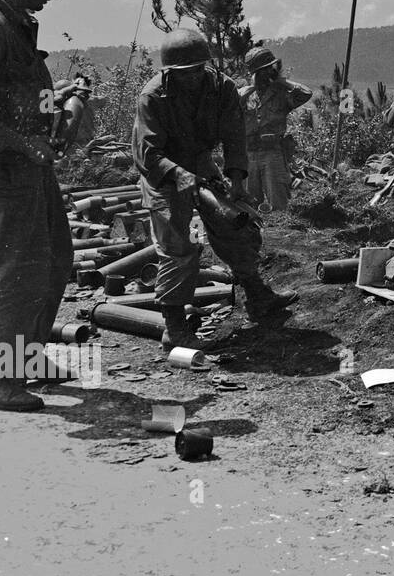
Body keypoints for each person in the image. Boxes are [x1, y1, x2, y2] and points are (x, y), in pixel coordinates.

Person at [133, 29, 298, 348]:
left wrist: (236, 182)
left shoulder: (221, 86)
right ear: (169, 71)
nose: (194, 77)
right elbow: (149, 154)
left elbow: (235, 136)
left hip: (199, 161)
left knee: (235, 224)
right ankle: (175, 327)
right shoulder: (152, 96)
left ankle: (257, 296)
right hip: (163, 172)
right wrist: (184, 179)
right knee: (179, 244)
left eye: (199, 69)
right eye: (186, 72)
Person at [0, 0, 76, 412]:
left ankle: (28, 357)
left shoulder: (17, 26)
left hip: (32, 166)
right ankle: (4, 379)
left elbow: (18, 94)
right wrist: (24, 143)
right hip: (9, 171)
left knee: (56, 260)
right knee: (19, 272)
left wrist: (60, 95)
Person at [239, 46, 312, 211]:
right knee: (249, 204)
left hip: (272, 152)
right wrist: (249, 89)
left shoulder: (280, 93)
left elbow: (306, 93)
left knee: (279, 203)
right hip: (248, 154)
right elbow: (230, 106)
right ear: (254, 73)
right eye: (261, 71)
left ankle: (281, 234)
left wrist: (280, 80)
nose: (265, 74)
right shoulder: (246, 95)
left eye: (268, 69)